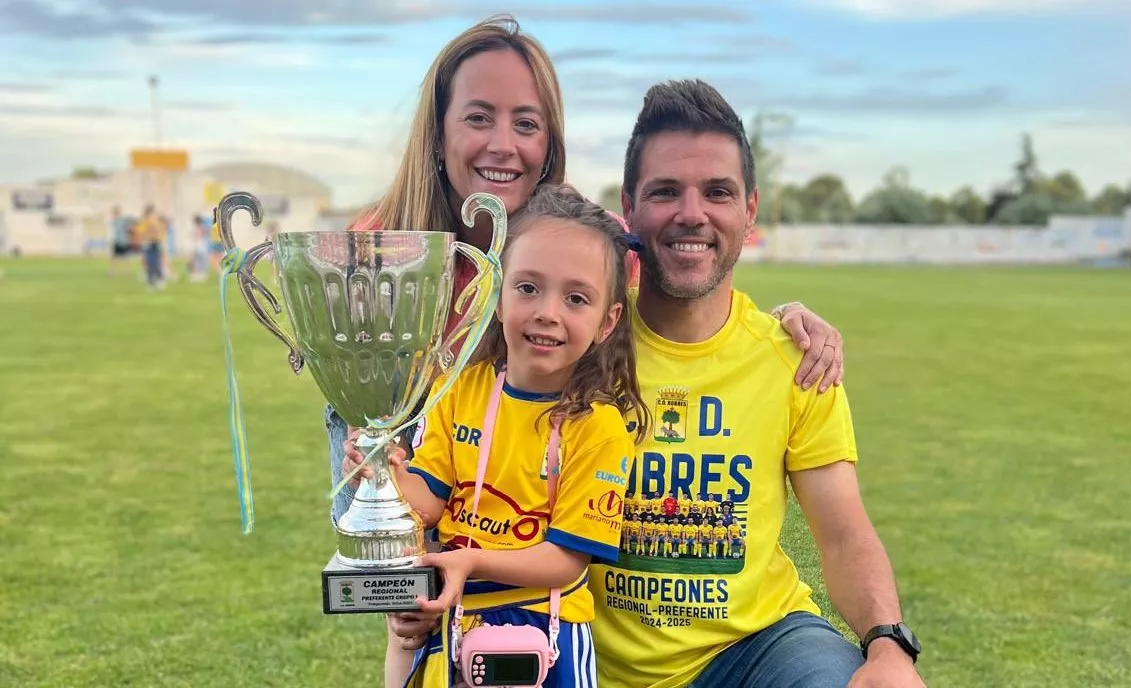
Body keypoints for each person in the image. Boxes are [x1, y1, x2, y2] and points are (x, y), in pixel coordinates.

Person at [329, 14, 848, 683]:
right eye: (478, 117)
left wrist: (789, 323)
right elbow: (410, 474)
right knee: (407, 622)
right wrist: (385, 489)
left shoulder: (586, 242)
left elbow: (682, 295)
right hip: (420, 448)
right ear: (439, 130)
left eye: (526, 122)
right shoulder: (379, 243)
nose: (503, 144)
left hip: (535, 577)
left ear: (550, 141)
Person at [585, 78, 925, 687]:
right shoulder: (580, 348)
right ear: (628, 206)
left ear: (749, 210)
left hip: (757, 647)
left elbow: (844, 531)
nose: (693, 213)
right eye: (666, 191)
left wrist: (888, 645)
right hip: (591, 656)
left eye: (718, 192)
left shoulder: (798, 359)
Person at [362, 184, 649, 686]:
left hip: (548, 627)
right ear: (497, 297)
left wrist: (468, 561)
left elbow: (564, 562)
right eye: (528, 287)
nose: (547, 312)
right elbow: (428, 502)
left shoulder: (599, 428)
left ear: (607, 322)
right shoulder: (459, 389)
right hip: (455, 621)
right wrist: (383, 474)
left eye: (576, 298)